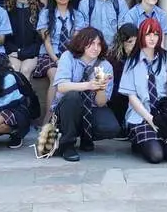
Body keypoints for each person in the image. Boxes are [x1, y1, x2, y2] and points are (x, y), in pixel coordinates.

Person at [118, 17, 167, 163]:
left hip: (164, 115)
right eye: (148, 34)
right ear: (141, 35)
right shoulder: (132, 61)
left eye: (155, 34)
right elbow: (132, 97)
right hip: (141, 116)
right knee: (156, 156)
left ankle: (154, 141)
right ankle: (139, 142)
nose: (152, 38)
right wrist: (150, 119)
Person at [50, 27, 119, 162]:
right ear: (82, 42)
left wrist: (101, 88)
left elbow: (101, 103)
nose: (95, 48)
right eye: (91, 43)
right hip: (66, 108)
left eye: (99, 44)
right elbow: (61, 86)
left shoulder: (106, 65)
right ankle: (67, 145)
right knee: (73, 96)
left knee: (111, 127)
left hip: (91, 108)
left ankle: (86, 138)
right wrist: (87, 85)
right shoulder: (68, 57)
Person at [34, 0, 84, 109]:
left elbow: (75, 41)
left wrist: (65, 59)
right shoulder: (45, 13)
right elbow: (47, 42)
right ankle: (49, 117)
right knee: (56, 76)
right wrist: (56, 59)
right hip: (49, 54)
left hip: (70, 54)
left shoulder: (77, 15)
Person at [4, 0, 42, 80]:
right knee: (15, 69)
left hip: (31, 53)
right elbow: (5, 38)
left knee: (25, 70)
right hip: (13, 51)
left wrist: (23, 53)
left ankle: (27, 96)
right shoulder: (7, 11)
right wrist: (15, 51)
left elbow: (39, 40)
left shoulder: (38, 10)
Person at [106, 24, 138, 131]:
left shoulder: (142, 56)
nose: (133, 45)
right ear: (122, 42)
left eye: (136, 41)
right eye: (129, 42)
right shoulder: (112, 58)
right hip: (117, 97)